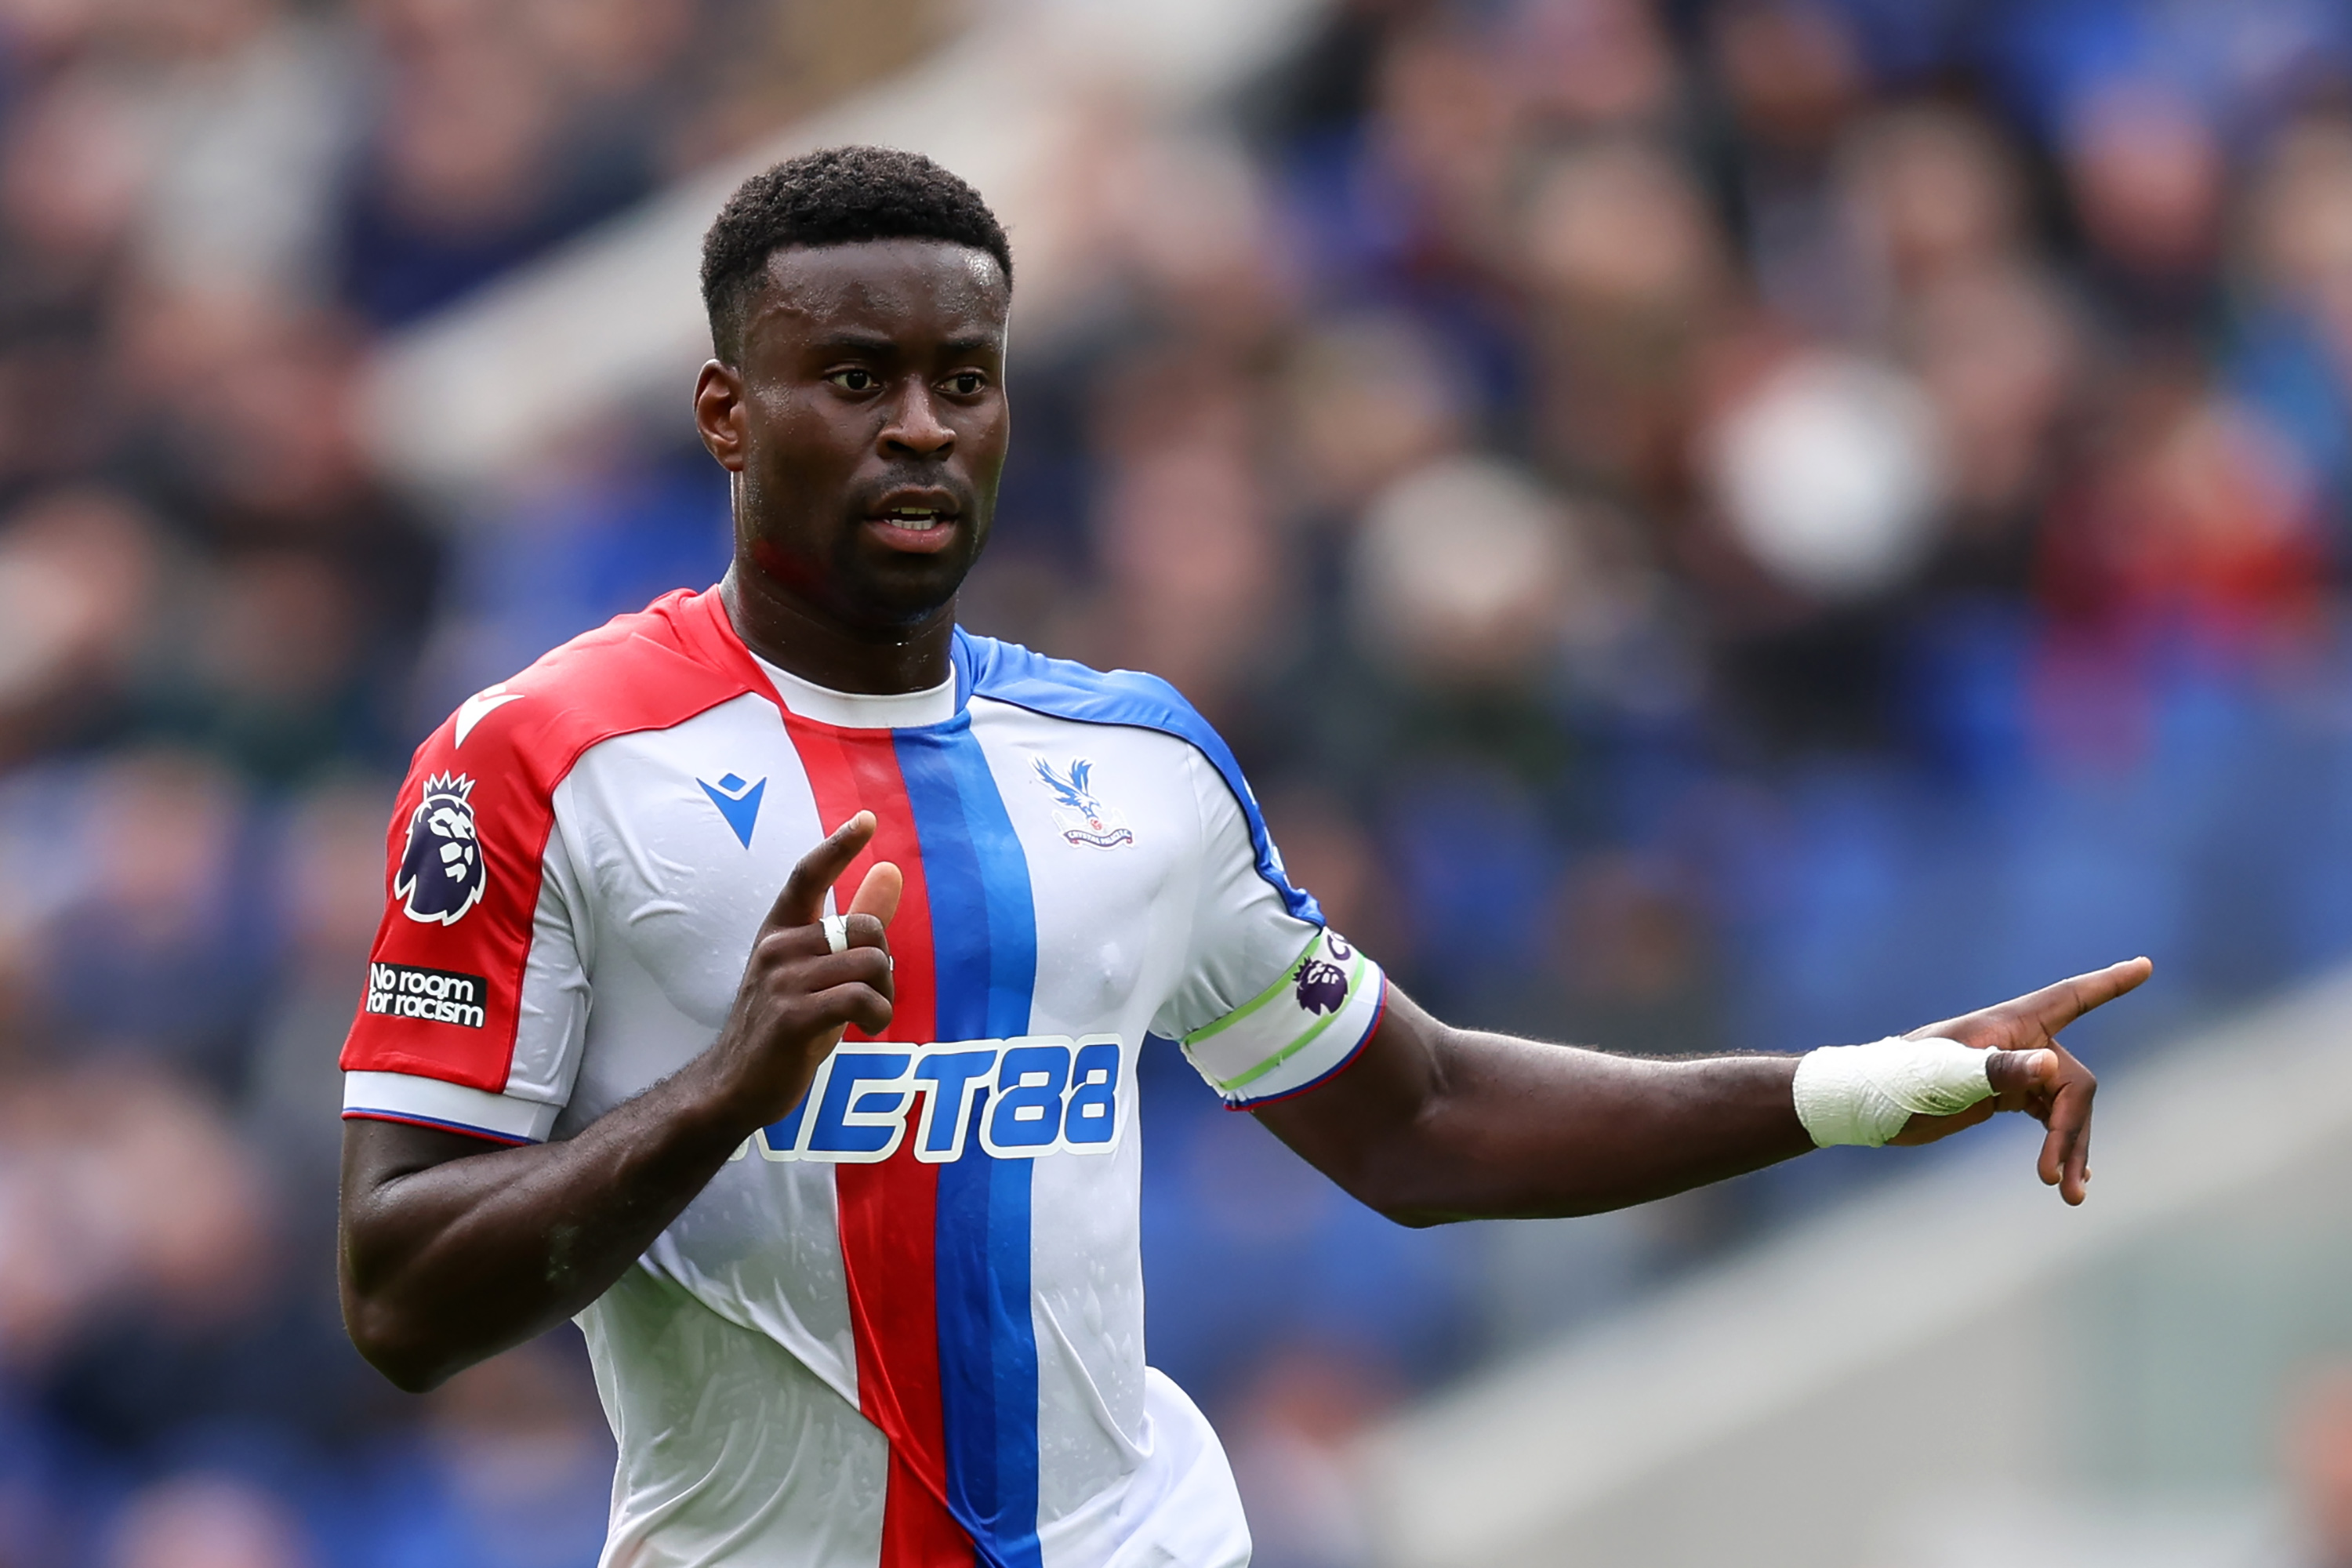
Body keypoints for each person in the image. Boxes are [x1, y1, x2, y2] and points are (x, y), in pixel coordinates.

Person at [336, 146, 2150, 1568]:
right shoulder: (539, 760)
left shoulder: (1134, 761)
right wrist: (726, 1088)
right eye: (856, 376)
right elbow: (401, 1295)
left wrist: (1863, 1084)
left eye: (962, 379)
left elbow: (1421, 1120)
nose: (918, 426)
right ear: (729, 411)